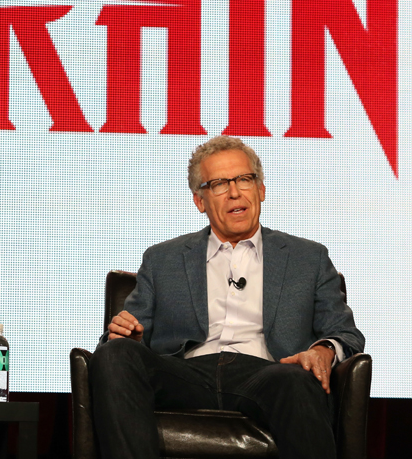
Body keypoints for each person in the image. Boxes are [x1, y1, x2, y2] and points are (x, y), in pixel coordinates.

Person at [90, 135, 364, 459]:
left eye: (244, 179)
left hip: (269, 374)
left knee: (296, 381)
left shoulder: (309, 258)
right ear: (200, 201)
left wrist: (322, 351)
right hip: (185, 374)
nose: (235, 192)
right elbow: (119, 340)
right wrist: (127, 337)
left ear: (261, 189)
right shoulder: (163, 259)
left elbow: (346, 333)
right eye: (219, 183)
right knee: (114, 354)